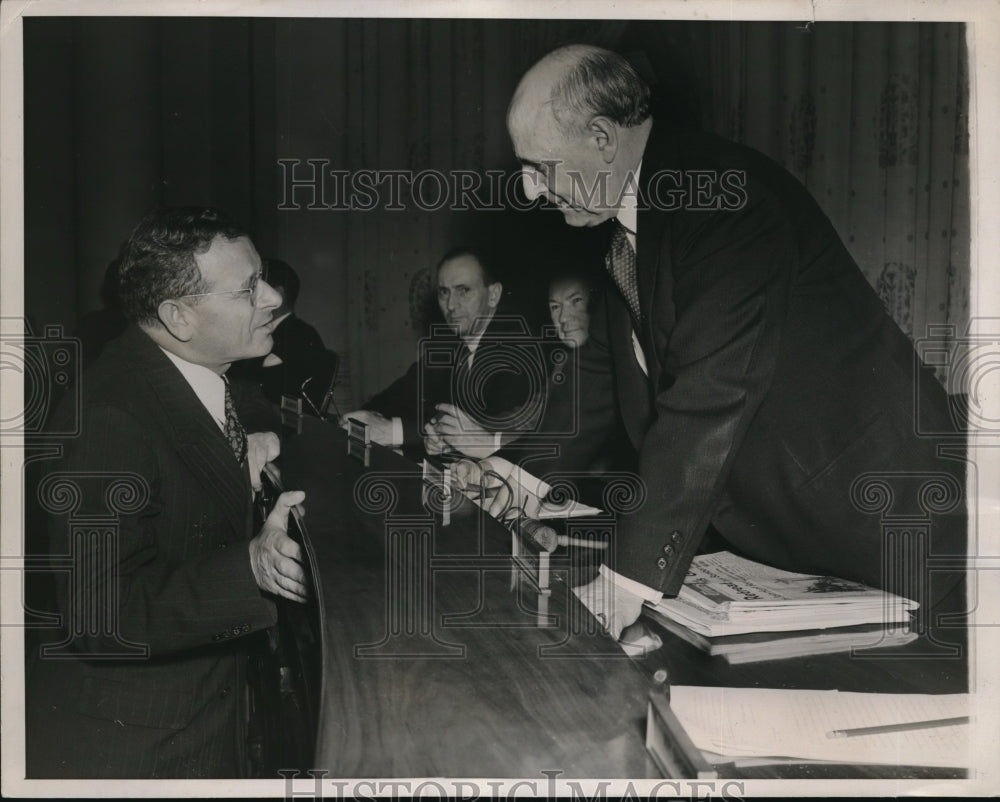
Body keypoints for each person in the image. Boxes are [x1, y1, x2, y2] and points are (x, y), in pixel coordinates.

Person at [501, 44, 967, 638]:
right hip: (792, 534)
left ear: (600, 138)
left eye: (539, 166)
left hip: (890, 528)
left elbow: (710, 392)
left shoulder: (723, 196)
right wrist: (516, 477)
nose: (530, 189)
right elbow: (605, 363)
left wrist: (622, 584)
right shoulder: (631, 211)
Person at [26, 206, 309, 778]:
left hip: (200, 709)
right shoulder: (108, 420)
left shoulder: (172, 364)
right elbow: (98, 617)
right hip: (145, 748)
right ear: (179, 316)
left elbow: (232, 395)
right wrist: (248, 568)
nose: (274, 296)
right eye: (249, 288)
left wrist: (260, 427)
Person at [341, 247, 545, 455]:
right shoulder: (448, 345)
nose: (451, 305)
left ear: (493, 295)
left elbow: (481, 430)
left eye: (463, 291)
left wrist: (393, 431)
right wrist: (366, 416)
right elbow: (402, 395)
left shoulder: (517, 345)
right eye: (443, 292)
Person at [230, 258, 332, 411]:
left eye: (254, 290)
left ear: (277, 295)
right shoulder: (279, 331)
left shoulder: (299, 334)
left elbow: (251, 383)